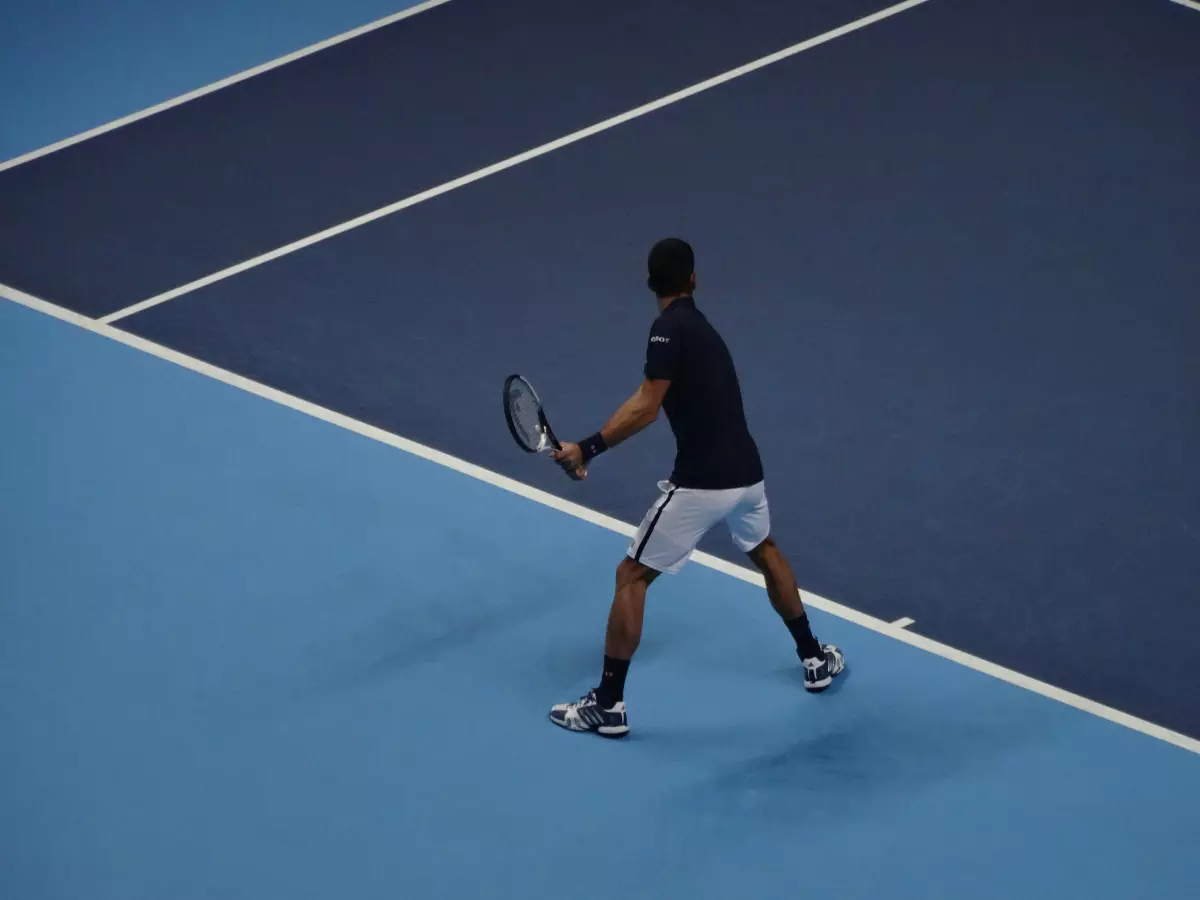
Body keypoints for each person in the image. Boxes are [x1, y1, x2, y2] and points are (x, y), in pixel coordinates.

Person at [547, 238, 844, 738]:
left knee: (631, 575)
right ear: (694, 279)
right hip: (748, 473)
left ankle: (608, 703)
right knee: (764, 549)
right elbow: (649, 396)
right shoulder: (702, 328)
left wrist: (589, 448)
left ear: (649, 284)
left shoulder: (667, 330)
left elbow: (646, 404)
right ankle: (814, 658)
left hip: (704, 480)